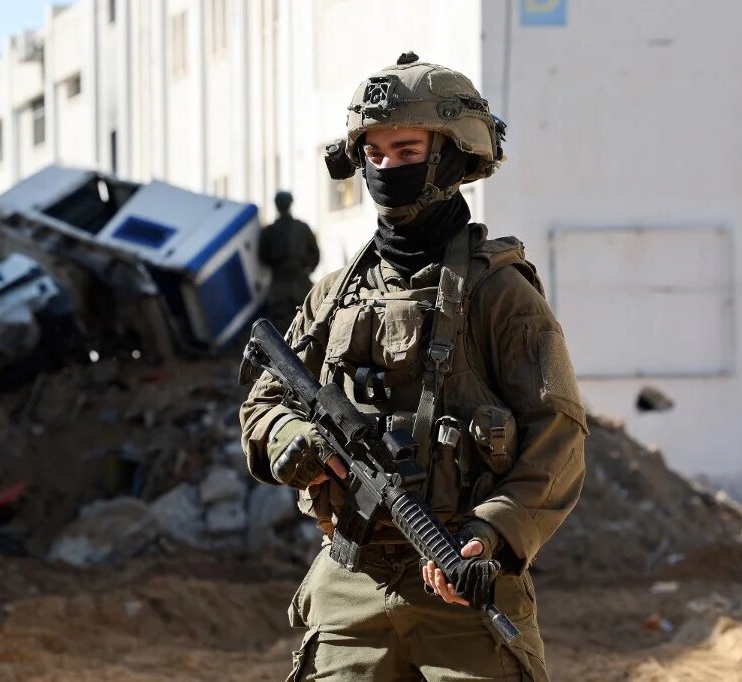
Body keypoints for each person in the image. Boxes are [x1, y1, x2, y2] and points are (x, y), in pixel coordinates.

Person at [240, 52, 586, 681]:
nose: (386, 167)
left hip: (461, 584)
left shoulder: (500, 293)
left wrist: (491, 533)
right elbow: (264, 401)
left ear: (453, 156)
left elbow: (558, 438)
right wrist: (293, 441)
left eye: (405, 150)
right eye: (372, 154)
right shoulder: (334, 294)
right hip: (349, 585)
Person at [258, 190, 321, 333]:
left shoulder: (271, 230)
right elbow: (315, 253)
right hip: (288, 281)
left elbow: (314, 253)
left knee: (293, 323)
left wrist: (308, 268)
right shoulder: (274, 230)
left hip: (290, 282)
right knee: (300, 322)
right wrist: (308, 268)